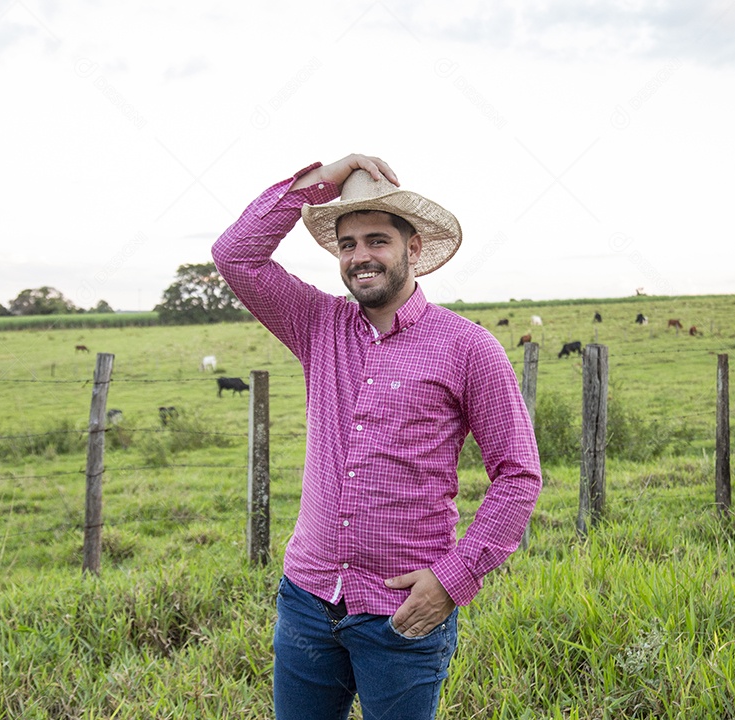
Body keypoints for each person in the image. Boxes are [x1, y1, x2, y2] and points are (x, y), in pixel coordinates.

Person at [212, 154, 542, 720]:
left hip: (403, 609)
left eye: (377, 241)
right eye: (347, 244)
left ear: (413, 248)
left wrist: (453, 580)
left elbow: (518, 475)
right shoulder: (317, 324)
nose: (360, 256)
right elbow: (235, 255)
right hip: (308, 600)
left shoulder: (469, 347)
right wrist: (323, 181)